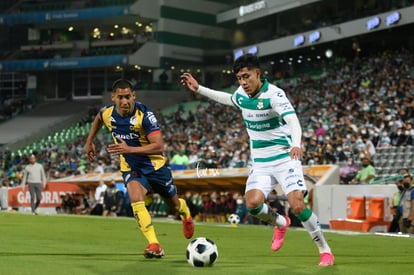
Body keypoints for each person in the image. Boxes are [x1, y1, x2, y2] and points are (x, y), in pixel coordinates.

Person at [180, 53, 334, 266]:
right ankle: (280, 222)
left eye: (247, 76)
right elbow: (228, 99)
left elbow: (293, 121)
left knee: (297, 205)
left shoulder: (274, 95)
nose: (243, 82)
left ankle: (324, 250)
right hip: (260, 163)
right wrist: (199, 89)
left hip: (284, 157)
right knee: (252, 204)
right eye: (239, 78)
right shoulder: (241, 94)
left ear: (258, 73)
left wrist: (296, 143)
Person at [84, 78, 194, 258]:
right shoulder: (108, 113)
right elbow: (98, 118)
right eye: (120, 97)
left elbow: (159, 146)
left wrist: (129, 149)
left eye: (128, 97)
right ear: (113, 97)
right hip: (131, 167)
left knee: (173, 205)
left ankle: (185, 213)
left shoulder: (145, 114)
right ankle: (154, 244)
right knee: (135, 198)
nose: (125, 101)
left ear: (134, 95)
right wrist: (89, 142)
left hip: (155, 166)